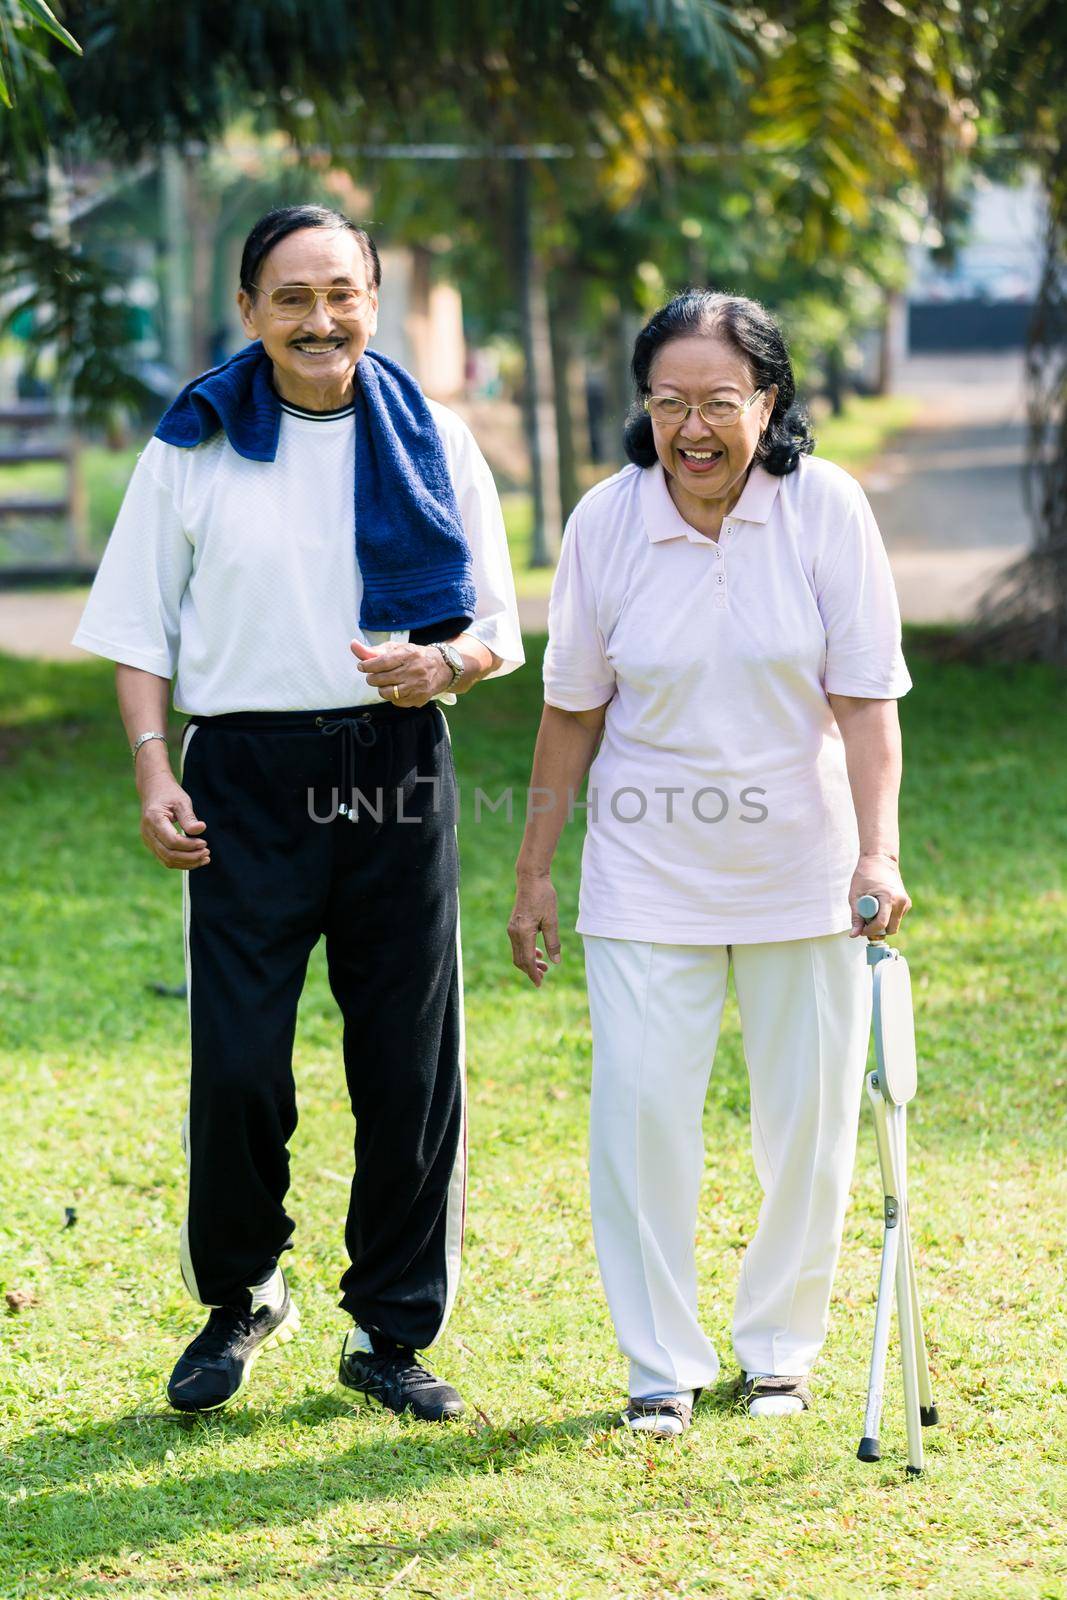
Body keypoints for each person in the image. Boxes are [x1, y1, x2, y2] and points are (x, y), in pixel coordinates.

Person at [73, 204, 523, 1419]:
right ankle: (240, 1295)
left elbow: (495, 625)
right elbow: (134, 629)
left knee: (406, 1060)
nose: (320, 319)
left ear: (373, 299)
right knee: (234, 1062)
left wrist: (445, 669)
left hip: (392, 763)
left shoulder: (432, 436)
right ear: (249, 312)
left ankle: (389, 1327)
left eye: (341, 292)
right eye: (291, 297)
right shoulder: (195, 441)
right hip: (243, 778)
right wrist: (153, 770)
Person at [508, 290, 911, 1438]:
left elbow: (866, 700)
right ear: (644, 406)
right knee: (638, 1117)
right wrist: (534, 871)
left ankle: (780, 1352)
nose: (692, 428)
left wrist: (875, 849)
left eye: (719, 403)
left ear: (767, 402)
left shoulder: (823, 508)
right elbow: (570, 709)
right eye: (668, 402)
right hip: (644, 870)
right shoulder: (605, 521)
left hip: (804, 867)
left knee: (808, 1121)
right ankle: (658, 1363)